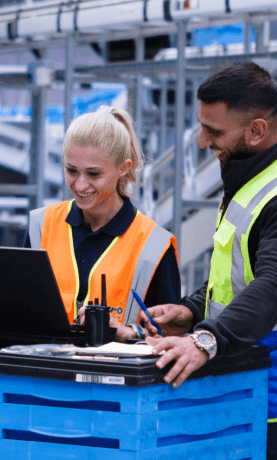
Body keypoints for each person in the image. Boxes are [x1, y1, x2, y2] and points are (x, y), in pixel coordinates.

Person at [142, 63, 277, 460]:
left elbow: (275, 285)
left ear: (257, 131)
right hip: (248, 375)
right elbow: (237, 276)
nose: (201, 141)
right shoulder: (250, 179)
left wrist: (208, 338)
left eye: (214, 132)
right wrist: (191, 309)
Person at [25, 105, 181, 341]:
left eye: (94, 174)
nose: (80, 185)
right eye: (71, 170)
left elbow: (169, 336)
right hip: (44, 372)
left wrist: (127, 333)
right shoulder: (41, 225)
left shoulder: (155, 245)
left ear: (123, 168)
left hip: (118, 375)